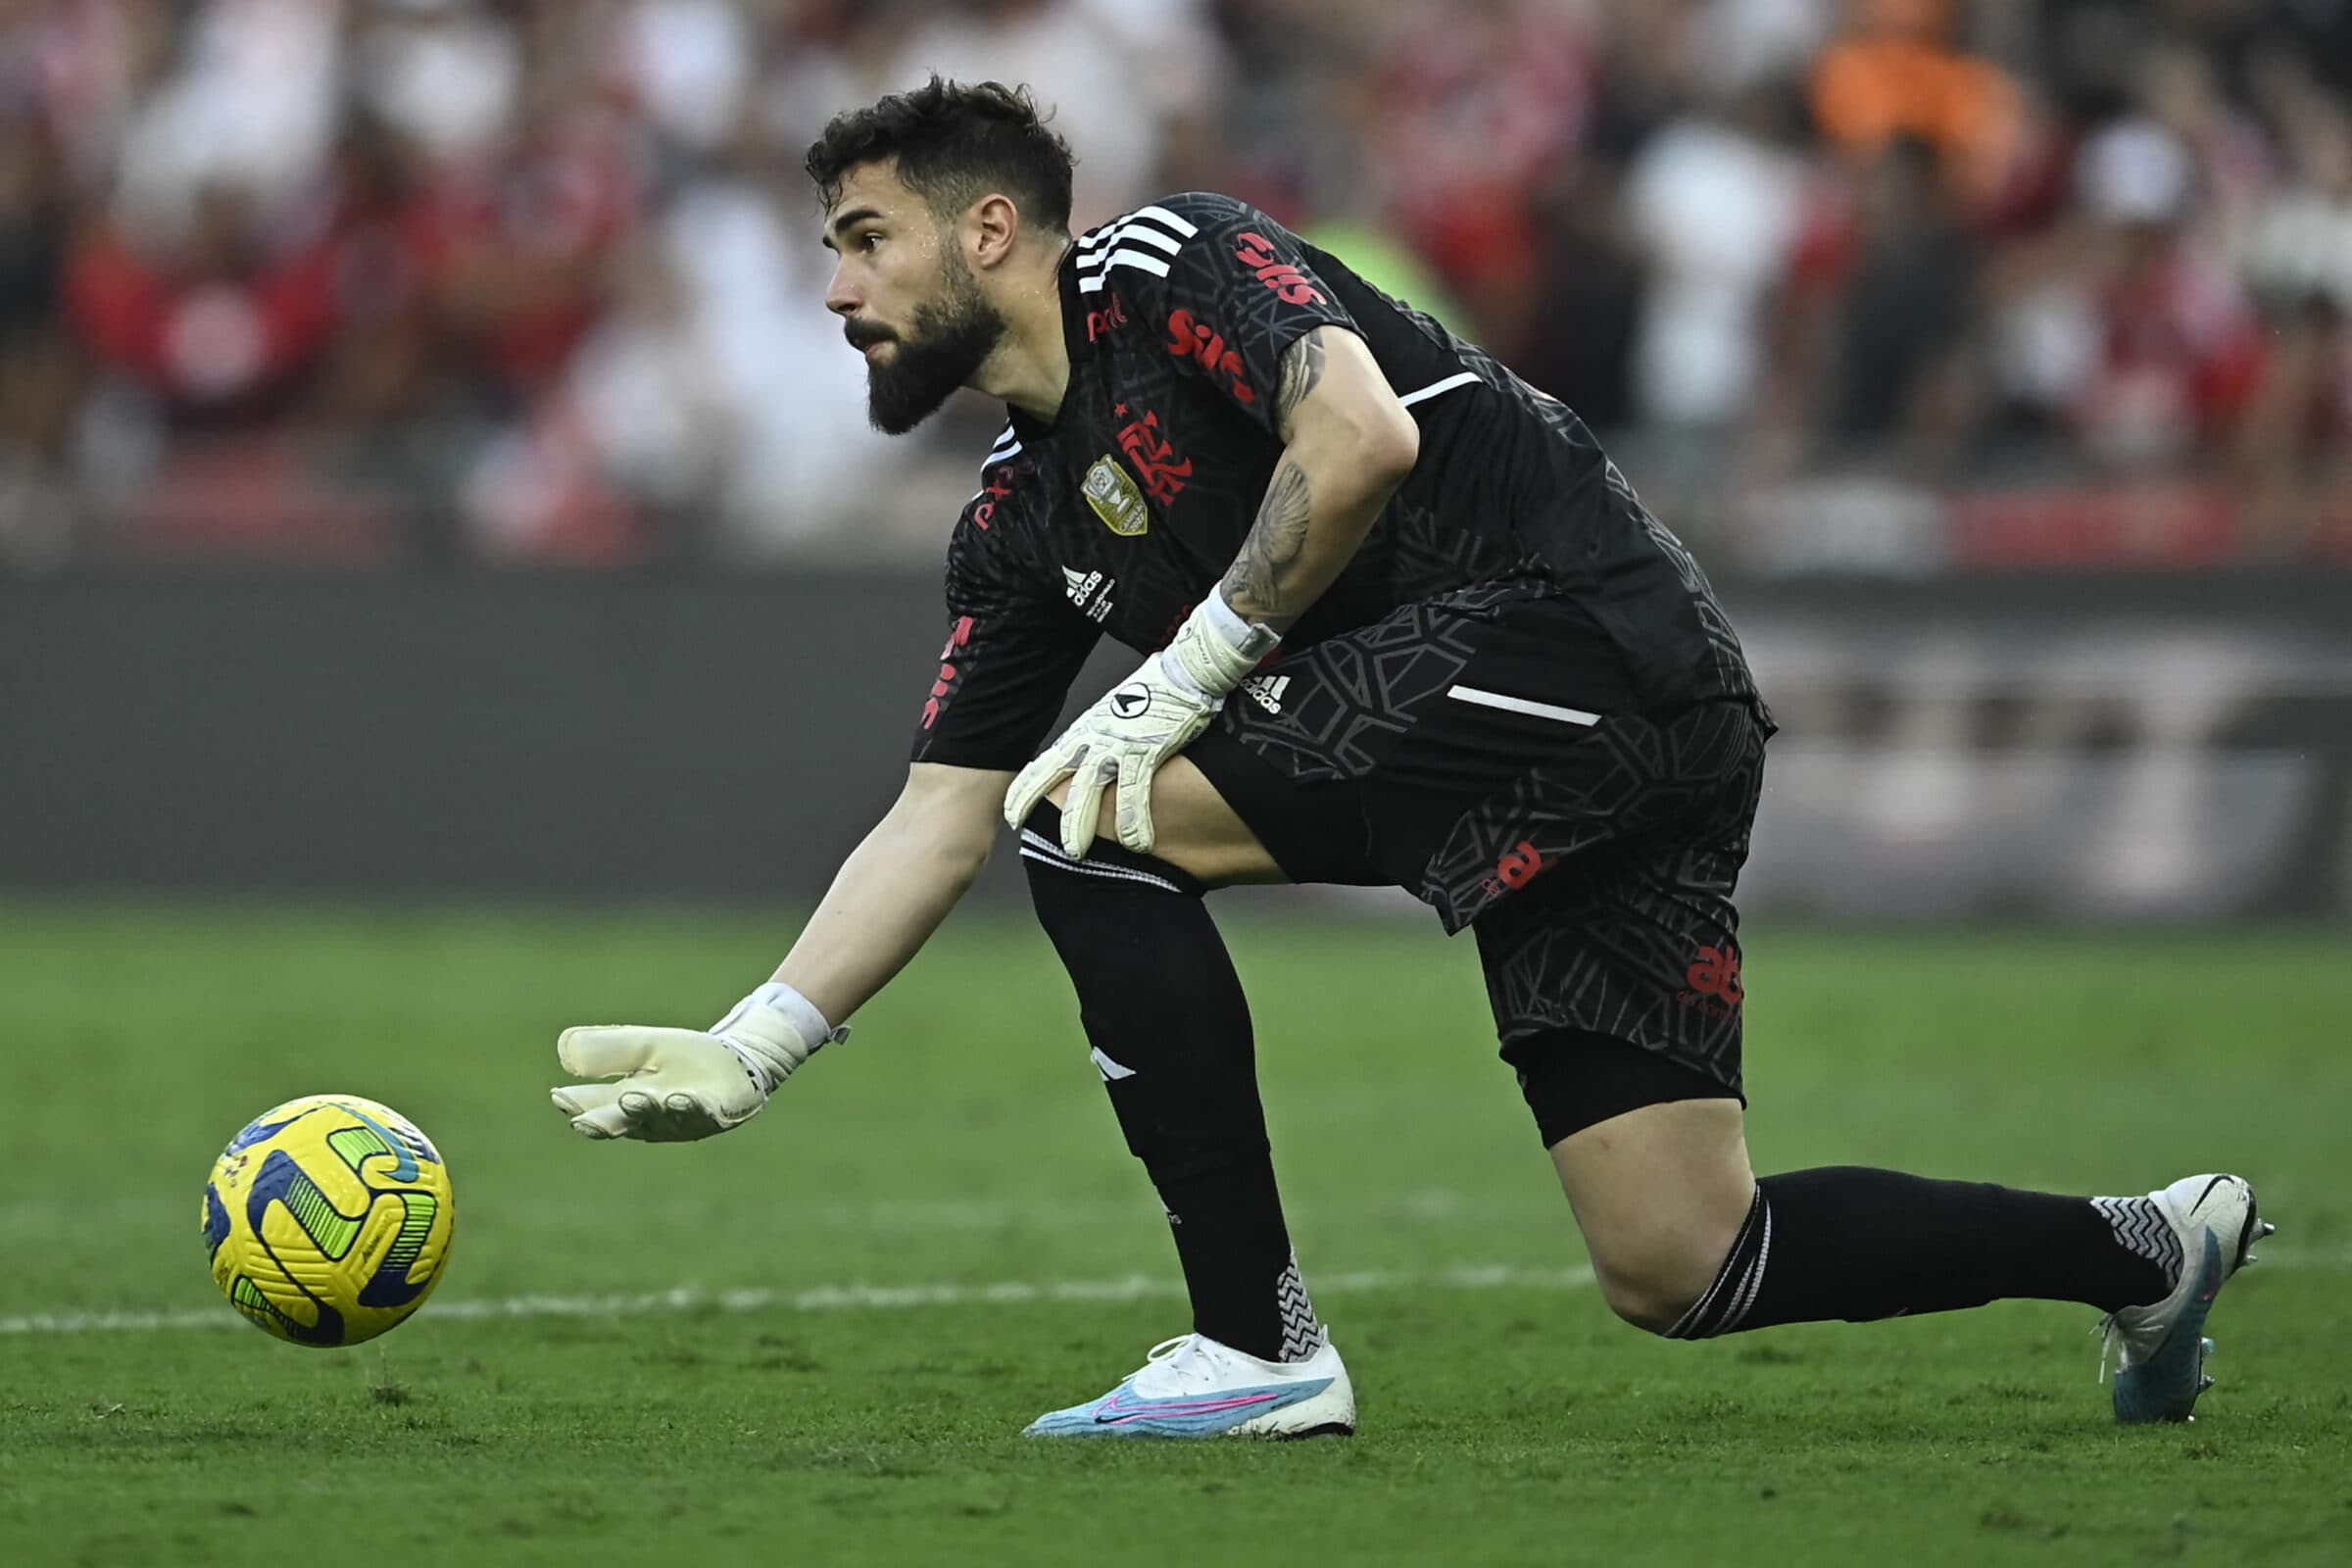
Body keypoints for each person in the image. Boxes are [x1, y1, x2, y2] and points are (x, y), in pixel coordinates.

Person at [548, 77, 2269, 1438]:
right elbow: (933, 818)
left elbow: (1358, 434)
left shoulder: (1168, 263)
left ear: (988, 229)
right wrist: (756, 1045)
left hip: (1583, 641)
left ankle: (1253, 1346)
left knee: (1091, 821)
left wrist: (1188, 673)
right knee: (1684, 1262)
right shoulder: (1015, 520)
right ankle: (2140, 1247)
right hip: (1565, 758)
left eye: (863, 240)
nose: (835, 289)